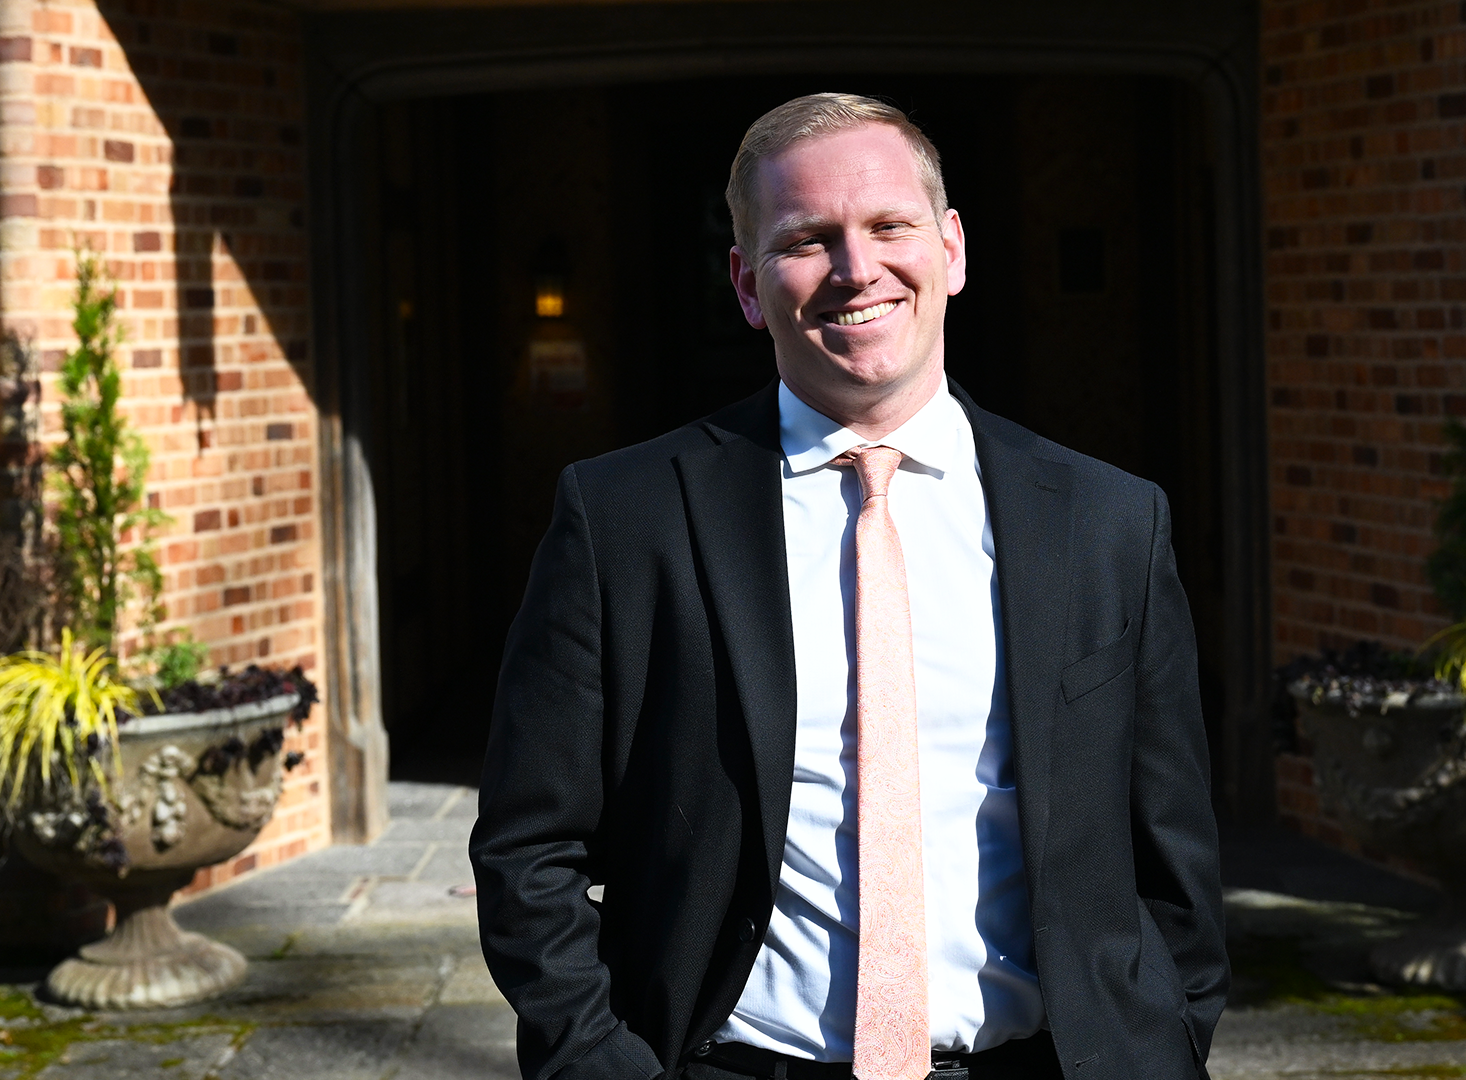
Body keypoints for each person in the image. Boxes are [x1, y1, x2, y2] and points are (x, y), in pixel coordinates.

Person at [472, 93, 1226, 1080]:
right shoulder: (624, 519)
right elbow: (529, 848)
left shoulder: (1111, 523)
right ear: (747, 285)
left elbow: (1175, 856)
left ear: (951, 249)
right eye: (808, 239)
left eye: (888, 226)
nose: (856, 268)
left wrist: (1166, 1041)